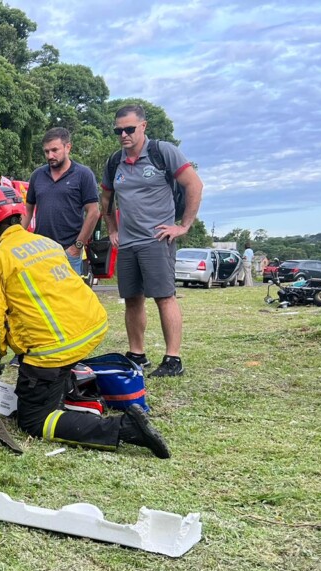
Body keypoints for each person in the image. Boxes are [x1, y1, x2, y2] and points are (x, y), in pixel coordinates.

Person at [0, 185, 170, 458]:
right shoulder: (46, 242)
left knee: (33, 420)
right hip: (89, 329)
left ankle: (125, 428)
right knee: (43, 379)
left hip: (52, 349)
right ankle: (65, 383)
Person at [100, 104, 204, 378]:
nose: (124, 135)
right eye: (118, 130)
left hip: (157, 239)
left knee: (164, 297)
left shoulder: (162, 152)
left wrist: (183, 226)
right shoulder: (115, 162)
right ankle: (137, 354)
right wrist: (112, 229)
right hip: (128, 242)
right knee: (132, 299)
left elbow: (194, 184)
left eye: (129, 129)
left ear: (143, 126)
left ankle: (173, 359)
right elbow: (106, 199)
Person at [23, 127, 100, 277]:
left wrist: (77, 246)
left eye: (54, 150)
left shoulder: (83, 175)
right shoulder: (37, 175)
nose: (50, 155)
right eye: (46, 151)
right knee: (41, 298)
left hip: (69, 252)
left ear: (68, 147)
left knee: (69, 299)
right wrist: (12, 238)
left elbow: (94, 212)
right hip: (40, 252)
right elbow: (27, 211)